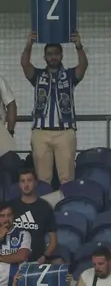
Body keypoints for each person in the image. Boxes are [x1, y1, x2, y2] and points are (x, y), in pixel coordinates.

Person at [20, 32, 87, 186]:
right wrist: (29, 45)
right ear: (45, 57)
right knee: (43, 180)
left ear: (62, 55)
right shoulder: (37, 75)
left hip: (65, 132)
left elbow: (83, 66)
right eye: (49, 54)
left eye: (56, 54)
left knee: (67, 179)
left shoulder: (69, 75)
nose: (53, 57)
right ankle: (46, 209)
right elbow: (25, 64)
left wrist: (79, 46)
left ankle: (66, 209)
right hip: (41, 132)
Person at [9, 170, 56, 263]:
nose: (26, 185)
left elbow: (53, 240)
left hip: (35, 262)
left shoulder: (45, 207)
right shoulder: (11, 206)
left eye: (29, 180)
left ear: (35, 183)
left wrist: (45, 256)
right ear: (19, 184)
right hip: (12, 260)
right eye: (23, 181)